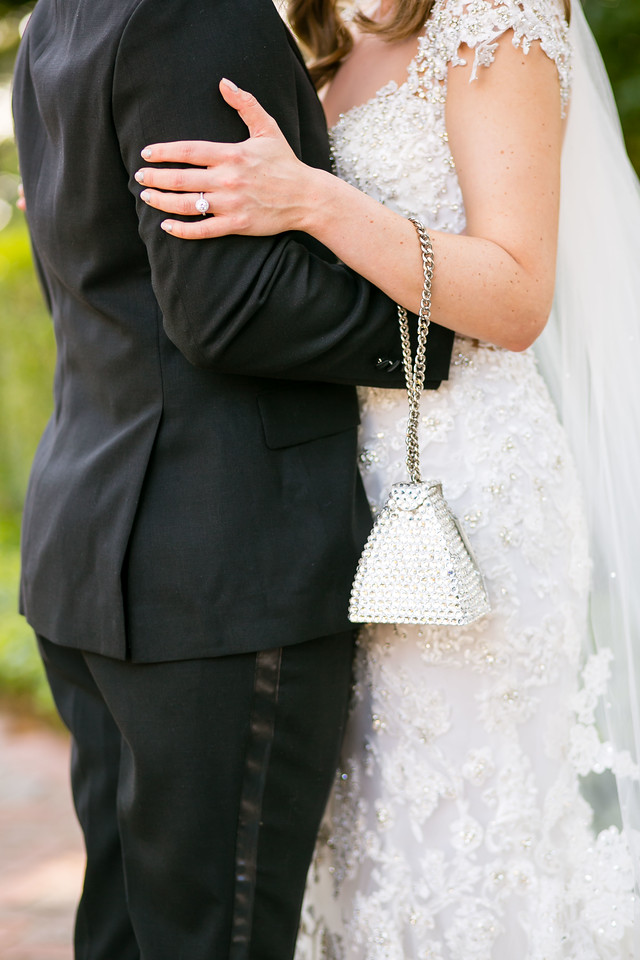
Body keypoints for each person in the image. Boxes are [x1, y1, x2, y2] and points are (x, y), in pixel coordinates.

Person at [136, 0, 640, 955]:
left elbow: (517, 294)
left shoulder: (494, 15)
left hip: (463, 491)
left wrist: (313, 200)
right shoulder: (319, 23)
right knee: (355, 860)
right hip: (329, 499)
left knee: (457, 853)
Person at [10, 1, 456, 958]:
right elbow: (228, 309)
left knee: (130, 932)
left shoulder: (64, 15)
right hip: (216, 567)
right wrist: (442, 329)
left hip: (99, 546)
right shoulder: (192, 13)